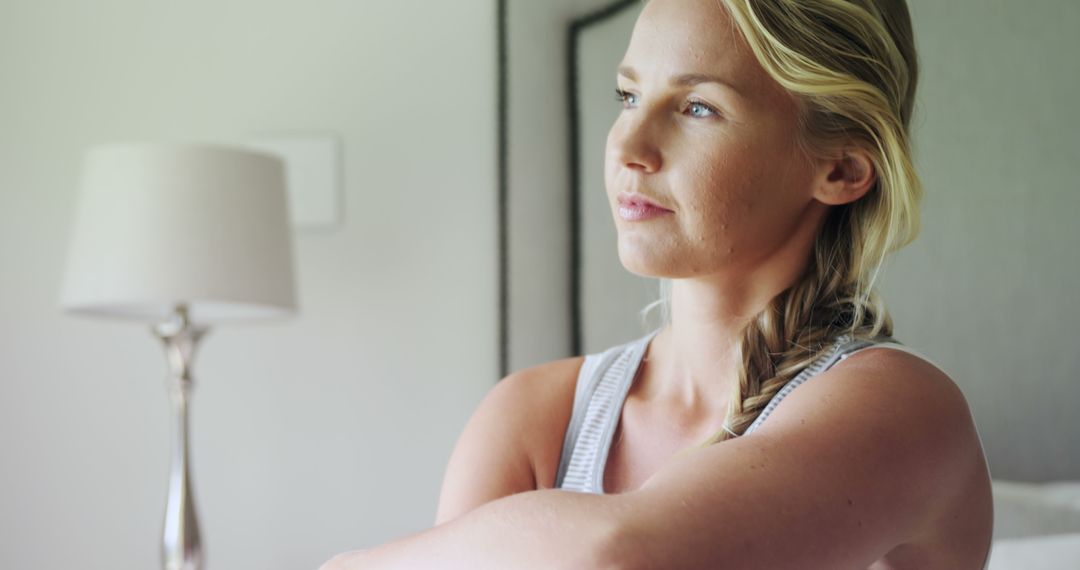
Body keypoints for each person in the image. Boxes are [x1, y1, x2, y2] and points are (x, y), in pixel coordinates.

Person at [322, 0, 993, 567]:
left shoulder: (904, 410)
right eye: (629, 96)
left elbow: (621, 555)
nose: (628, 146)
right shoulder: (536, 419)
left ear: (842, 168)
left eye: (698, 108)